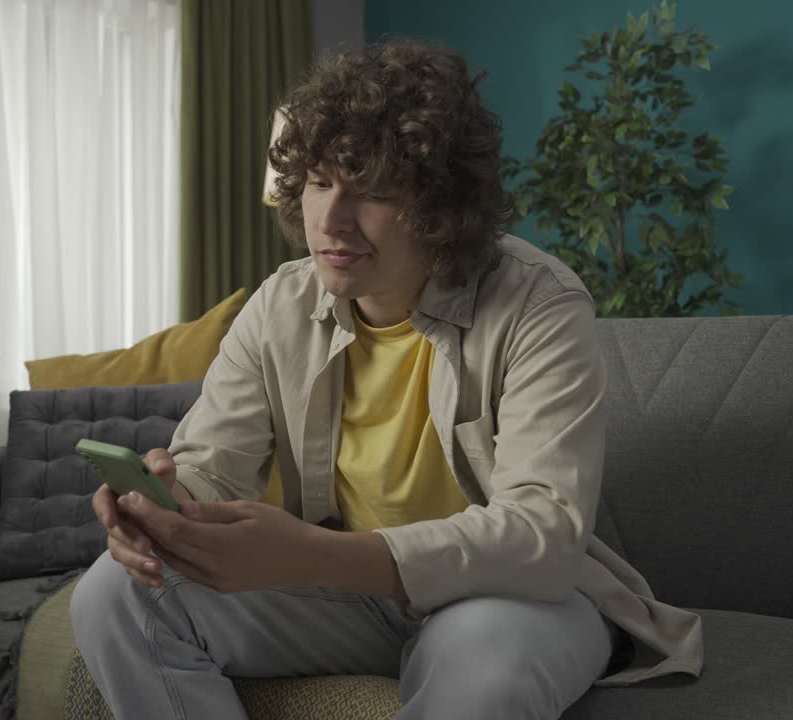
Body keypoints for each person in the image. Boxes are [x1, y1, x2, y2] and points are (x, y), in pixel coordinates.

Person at [71, 40, 703, 720]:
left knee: (484, 662)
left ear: (442, 203)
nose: (331, 219)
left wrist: (314, 556)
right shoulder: (279, 305)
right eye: (317, 182)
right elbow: (211, 465)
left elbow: (542, 537)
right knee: (113, 594)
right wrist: (167, 503)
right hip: (350, 600)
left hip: (507, 597)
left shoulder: (539, 305)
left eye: (372, 190)